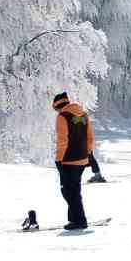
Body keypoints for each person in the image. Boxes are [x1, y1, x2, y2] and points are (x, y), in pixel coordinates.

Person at [51, 92, 95, 229]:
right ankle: (74, 219)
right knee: (74, 190)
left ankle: (80, 220)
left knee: (68, 191)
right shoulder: (83, 115)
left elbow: (63, 140)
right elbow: (90, 138)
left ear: (58, 106)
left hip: (68, 160)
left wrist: (59, 160)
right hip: (82, 159)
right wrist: (88, 154)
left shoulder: (62, 117)